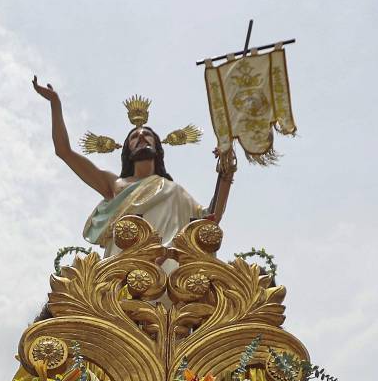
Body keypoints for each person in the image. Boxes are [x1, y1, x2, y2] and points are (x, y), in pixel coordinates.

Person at [32, 77, 235, 256]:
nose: (141, 138)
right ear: (127, 150)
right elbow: (63, 151)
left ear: (157, 146)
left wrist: (225, 171)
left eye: (146, 135)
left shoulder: (174, 192)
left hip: (167, 271)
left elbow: (209, 221)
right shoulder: (114, 184)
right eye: (134, 137)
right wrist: (55, 103)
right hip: (122, 268)